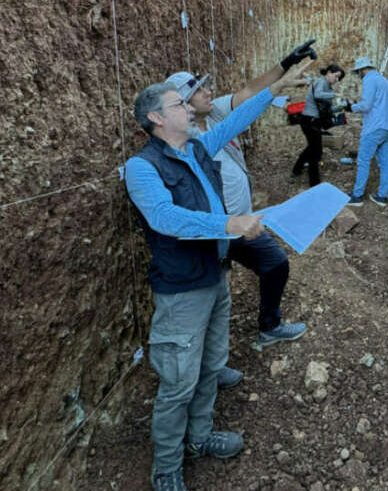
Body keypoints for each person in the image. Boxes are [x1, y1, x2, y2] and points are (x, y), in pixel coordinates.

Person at [125, 60, 312, 491]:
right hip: (182, 290)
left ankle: (200, 437)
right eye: (179, 104)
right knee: (178, 383)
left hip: (214, 275)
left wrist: (274, 89)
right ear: (156, 117)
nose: (189, 108)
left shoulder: (196, 148)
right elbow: (165, 217)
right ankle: (167, 467)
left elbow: (235, 120)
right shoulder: (142, 167)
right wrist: (229, 224)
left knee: (210, 366)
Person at [166, 40, 316, 374]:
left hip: (241, 224)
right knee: (210, 300)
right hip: (216, 228)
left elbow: (250, 91)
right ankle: (206, 371)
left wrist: (285, 63)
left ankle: (268, 326)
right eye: (198, 90)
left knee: (275, 264)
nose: (208, 92)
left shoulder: (215, 112)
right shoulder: (185, 140)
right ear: (182, 104)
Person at [345, 56, 388, 207]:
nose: (359, 75)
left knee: (363, 161)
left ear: (362, 70)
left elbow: (366, 105)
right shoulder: (383, 80)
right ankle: (382, 196)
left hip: (375, 127)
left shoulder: (369, 80)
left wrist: (350, 107)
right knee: (384, 163)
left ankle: (357, 196)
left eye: (358, 72)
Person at [293, 63, 345, 185]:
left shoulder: (328, 86)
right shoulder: (321, 82)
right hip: (309, 120)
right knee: (315, 151)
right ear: (329, 72)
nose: (337, 80)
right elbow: (317, 94)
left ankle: (297, 169)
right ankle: (314, 182)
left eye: (339, 78)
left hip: (314, 121)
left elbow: (327, 108)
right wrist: (335, 94)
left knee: (312, 147)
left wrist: (341, 107)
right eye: (336, 76)